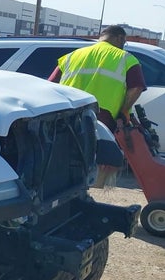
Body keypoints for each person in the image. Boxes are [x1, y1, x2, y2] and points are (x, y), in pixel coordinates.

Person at [48, 25, 147, 186]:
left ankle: (65, 192)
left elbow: (50, 85)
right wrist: (124, 111)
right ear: (120, 38)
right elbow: (136, 87)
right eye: (124, 41)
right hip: (101, 118)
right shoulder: (126, 58)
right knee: (90, 160)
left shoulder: (72, 56)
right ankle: (82, 192)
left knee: (65, 158)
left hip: (67, 116)